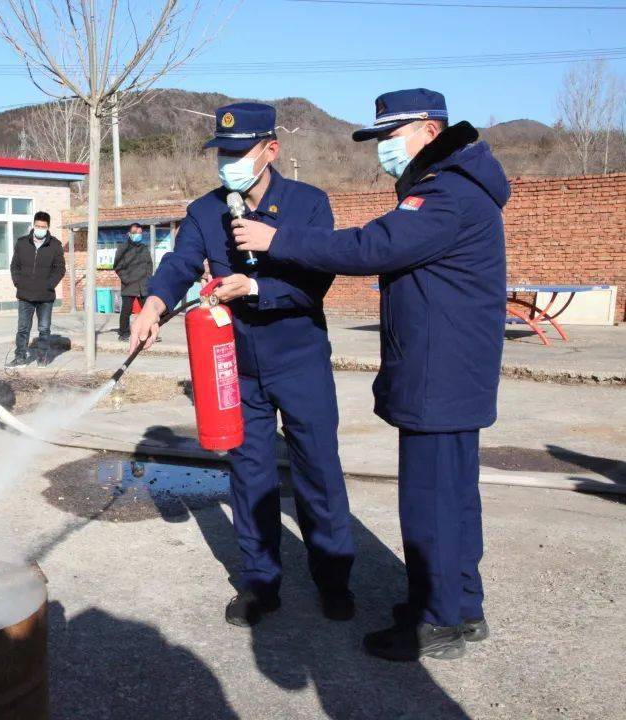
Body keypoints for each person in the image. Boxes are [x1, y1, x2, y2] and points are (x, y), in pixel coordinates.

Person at [223, 89, 509, 661]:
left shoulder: (446, 194)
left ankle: (437, 622)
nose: (383, 149)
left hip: (440, 376)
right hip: (451, 372)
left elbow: (372, 246)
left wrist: (280, 240)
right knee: (455, 499)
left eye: (390, 137)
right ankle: (459, 603)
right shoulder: (453, 185)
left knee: (430, 503)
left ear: (429, 131)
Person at [131, 103, 355, 628]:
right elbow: (179, 263)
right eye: (221, 154)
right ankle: (259, 583)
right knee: (249, 475)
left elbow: (317, 280)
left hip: (298, 358)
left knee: (317, 470)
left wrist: (255, 286)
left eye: (238, 153)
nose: (227, 163)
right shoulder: (205, 212)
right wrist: (154, 305)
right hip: (238, 364)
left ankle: (334, 578)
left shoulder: (308, 204)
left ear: (270, 150)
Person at [8, 210, 65, 367]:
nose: (40, 228)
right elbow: (15, 266)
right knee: (23, 329)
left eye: (43, 226)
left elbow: (60, 269)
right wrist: (18, 282)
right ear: (33, 225)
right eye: (37, 225)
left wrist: (49, 285)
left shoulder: (55, 245)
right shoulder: (21, 243)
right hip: (25, 294)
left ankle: (42, 357)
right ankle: (20, 357)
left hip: (45, 296)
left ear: (48, 227)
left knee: (44, 329)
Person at [113, 223, 154, 342]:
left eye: (140, 233)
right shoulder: (122, 248)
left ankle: (151, 332)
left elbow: (149, 264)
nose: (138, 235)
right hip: (129, 285)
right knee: (126, 310)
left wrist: (148, 278)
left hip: (143, 285)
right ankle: (124, 333)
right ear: (129, 234)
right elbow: (117, 266)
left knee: (148, 310)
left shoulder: (144, 248)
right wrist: (127, 279)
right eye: (136, 233)